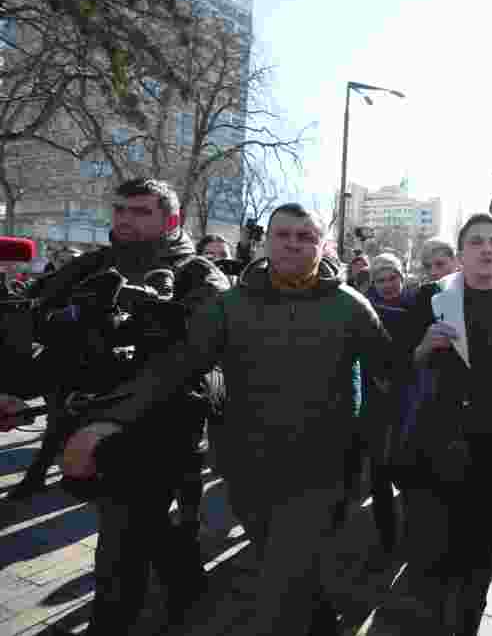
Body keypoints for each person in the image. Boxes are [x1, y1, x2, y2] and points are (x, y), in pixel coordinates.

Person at [59, 202, 398, 636]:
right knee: (290, 571)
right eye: (284, 234)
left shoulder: (351, 306)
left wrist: (372, 454)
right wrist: (109, 421)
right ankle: (317, 619)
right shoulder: (229, 306)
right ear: (266, 241)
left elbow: (389, 375)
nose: (294, 243)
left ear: (323, 244)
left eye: (306, 236)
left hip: (321, 473)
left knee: (276, 590)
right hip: (248, 470)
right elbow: (174, 369)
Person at [0, 179, 230, 633]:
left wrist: (106, 424)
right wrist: (15, 389)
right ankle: (188, 586)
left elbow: (188, 362)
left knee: (119, 553)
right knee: (142, 524)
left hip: (161, 426)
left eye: (141, 211)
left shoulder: (198, 275)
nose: (125, 219)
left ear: (171, 219)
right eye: (120, 209)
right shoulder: (92, 266)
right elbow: (44, 328)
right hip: (90, 420)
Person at [373, 213, 492, 635]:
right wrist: (422, 348)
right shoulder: (429, 298)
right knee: (430, 567)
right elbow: (390, 368)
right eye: (477, 242)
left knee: (478, 569)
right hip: (436, 456)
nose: (487, 249)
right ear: (461, 253)